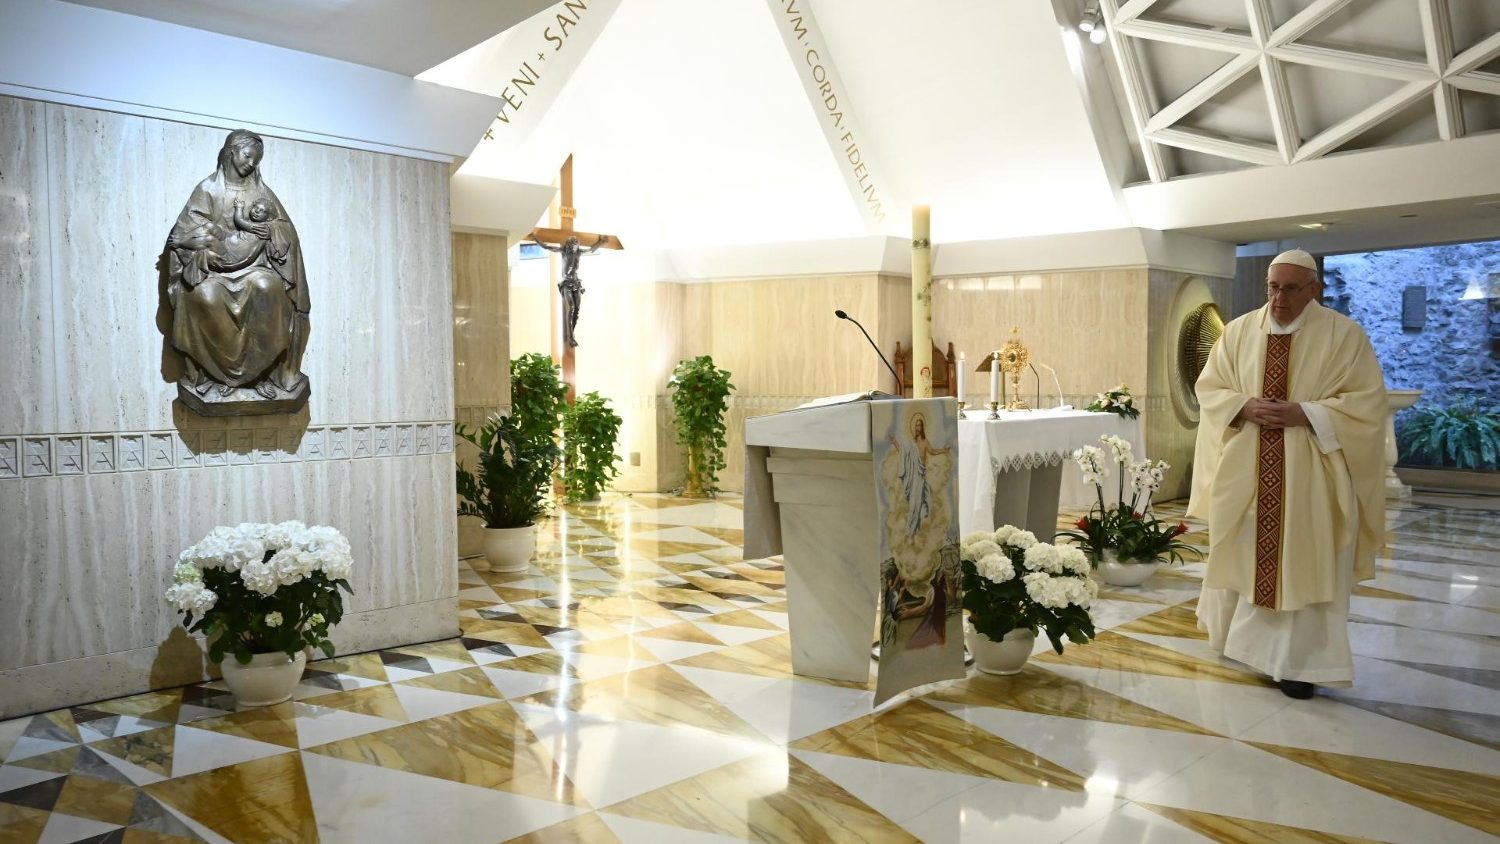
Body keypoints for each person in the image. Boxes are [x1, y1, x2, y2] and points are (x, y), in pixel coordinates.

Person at [1189, 248, 1387, 699]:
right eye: (1273, 287)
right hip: (1246, 469)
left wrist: (1307, 413)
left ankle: (1300, 664)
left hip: (1311, 470)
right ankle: (1239, 643)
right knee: (1242, 551)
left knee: (1306, 558)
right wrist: (1244, 405)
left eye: (1291, 289)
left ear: (1314, 289)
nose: (1279, 298)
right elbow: (1210, 387)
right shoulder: (1238, 331)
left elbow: (1366, 403)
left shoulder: (1344, 335)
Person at [166, 130, 309, 400]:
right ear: (232, 151)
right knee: (204, 295)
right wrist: (205, 251)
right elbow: (185, 230)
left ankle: (259, 374)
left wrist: (272, 230)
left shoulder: (261, 192)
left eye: (256, 160)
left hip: (254, 266)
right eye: (247, 156)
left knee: (268, 287)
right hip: (214, 270)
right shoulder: (208, 190)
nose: (251, 163)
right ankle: (219, 374)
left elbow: (284, 228)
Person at [534, 235, 605, 347]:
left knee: (577, 310)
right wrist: (535, 238)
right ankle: (571, 337)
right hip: (566, 284)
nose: (574, 247)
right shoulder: (563, 251)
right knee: (571, 308)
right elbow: (547, 247)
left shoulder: (579, 252)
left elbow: (591, 250)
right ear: (569, 245)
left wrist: (601, 241)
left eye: (576, 245)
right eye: (572, 245)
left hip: (576, 283)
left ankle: (571, 334)